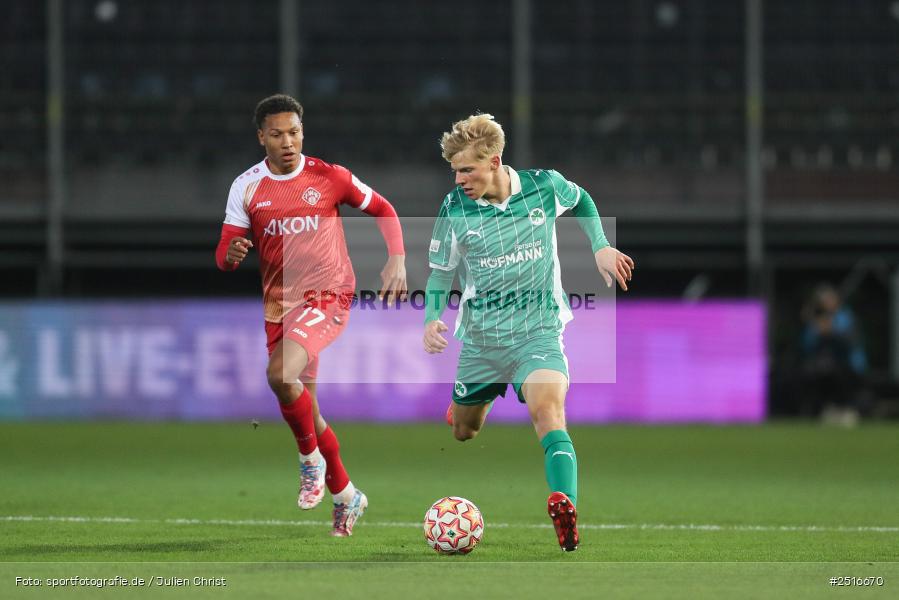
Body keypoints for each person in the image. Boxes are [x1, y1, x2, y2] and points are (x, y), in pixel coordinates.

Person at [422, 114, 633, 551]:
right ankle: (464, 406)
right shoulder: (453, 208)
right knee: (464, 431)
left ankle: (564, 503)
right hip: (482, 340)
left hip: (538, 332)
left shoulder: (543, 187)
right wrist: (431, 318)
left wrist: (600, 246)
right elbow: (441, 274)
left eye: (467, 170)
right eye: (455, 171)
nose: (460, 179)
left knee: (549, 414)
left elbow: (584, 200)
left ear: (494, 161)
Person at [215, 94, 407, 536]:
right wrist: (233, 253)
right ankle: (346, 495)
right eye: (278, 134)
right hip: (279, 306)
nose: (288, 142)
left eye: (295, 132)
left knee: (280, 375)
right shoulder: (246, 187)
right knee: (306, 407)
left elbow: (383, 208)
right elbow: (223, 256)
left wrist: (396, 257)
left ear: (303, 132)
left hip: (329, 295)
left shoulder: (329, 177)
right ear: (261, 136)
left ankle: (308, 461)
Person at [798, 283, 867, 424]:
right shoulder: (817, 321)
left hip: (849, 364)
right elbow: (807, 346)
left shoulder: (845, 317)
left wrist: (830, 331)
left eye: (829, 300)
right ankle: (828, 408)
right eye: (823, 301)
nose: (826, 304)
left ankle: (847, 408)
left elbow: (850, 344)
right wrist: (814, 326)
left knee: (838, 372)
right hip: (824, 366)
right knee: (812, 372)